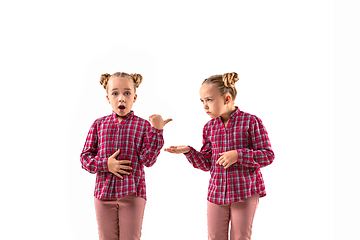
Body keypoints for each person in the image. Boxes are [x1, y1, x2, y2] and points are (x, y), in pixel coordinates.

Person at [165, 72, 274, 240]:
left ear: (227, 99)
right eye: (202, 101)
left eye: (209, 100)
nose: (205, 106)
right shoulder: (209, 128)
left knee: (240, 237)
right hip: (216, 193)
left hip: (245, 192)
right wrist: (188, 151)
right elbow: (207, 164)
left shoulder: (251, 122)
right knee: (214, 237)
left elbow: (267, 155)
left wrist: (238, 155)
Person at [80, 72, 171, 240]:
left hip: (133, 194)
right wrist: (106, 164)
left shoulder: (144, 125)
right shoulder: (98, 124)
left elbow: (148, 160)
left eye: (127, 93)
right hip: (103, 195)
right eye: (115, 93)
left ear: (134, 97)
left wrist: (157, 131)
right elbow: (85, 159)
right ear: (108, 97)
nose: (121, 98)